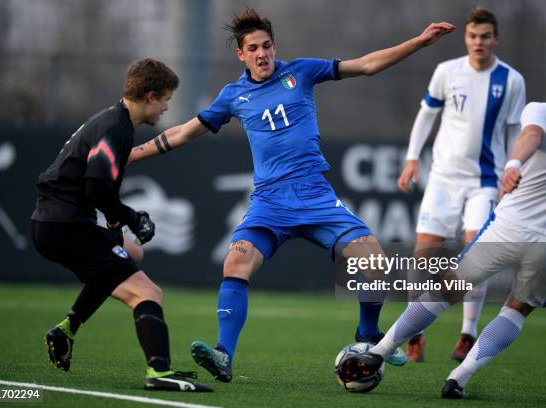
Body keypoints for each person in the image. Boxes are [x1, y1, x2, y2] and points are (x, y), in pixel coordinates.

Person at [128, 8, 454, 383]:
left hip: (314, 196)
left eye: (266, 45)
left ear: (274, 46)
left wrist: (419, 41)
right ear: (241, 54)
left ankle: (367, 333)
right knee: (235, 264)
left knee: (376, 264)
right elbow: (184, 132)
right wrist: (133, 154)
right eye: (253, 48)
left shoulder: (301, 71)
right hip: (269, 203)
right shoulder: (233, 96)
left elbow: (365, 65)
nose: (262, 53)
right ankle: (224, 356)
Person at [337, 53, 546, 399]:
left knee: (445, 289)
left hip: (511, 226)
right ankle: (460, 376)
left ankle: (377, 354)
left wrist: (514, 162)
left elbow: (531, 135)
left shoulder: (542, 109)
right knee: (517, 308)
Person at [31, 58, 212, 392]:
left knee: (132, 253)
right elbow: (95, 188)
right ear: (149, 96)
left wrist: (118, 224)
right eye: (166, 98)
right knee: (148, 292)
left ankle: (66, 330)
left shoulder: (115, 121)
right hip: (65, 226)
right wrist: (132, 217)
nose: (168, 105)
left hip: (56, 223)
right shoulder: (116, 127)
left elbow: (101, 188)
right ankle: (159, 372)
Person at [397, 7, 526, 362]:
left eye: (485, 36)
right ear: (466, 38)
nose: (478, 42)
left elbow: (515, 130)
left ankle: (467, 334)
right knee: (423, 254)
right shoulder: (446, 72)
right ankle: (415, 333)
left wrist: (513, 169)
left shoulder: (512, 80)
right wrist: (412, 158)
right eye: (472, 36)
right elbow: (427, 115)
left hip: (485, 181)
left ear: (495, 39)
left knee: (476, 257)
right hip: (442, 177)